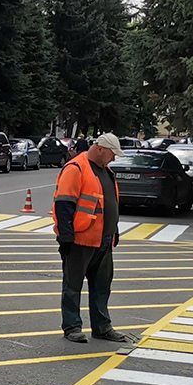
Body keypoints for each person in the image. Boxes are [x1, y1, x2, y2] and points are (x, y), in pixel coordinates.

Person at [54, 132, 134, 345]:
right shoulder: (76, 168)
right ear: (100, 149)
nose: (114, 158)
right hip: (80, 241)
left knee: (102, 287)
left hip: (103, 240)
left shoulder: (106, 171)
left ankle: (101, 327)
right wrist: (66, 238)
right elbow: (64, 205)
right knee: (73, 286)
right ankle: (72, 327)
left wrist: (113, 231)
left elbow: (108, 204)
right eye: (112, 154)